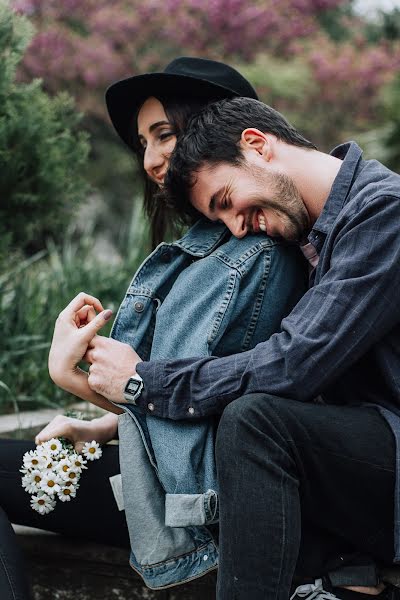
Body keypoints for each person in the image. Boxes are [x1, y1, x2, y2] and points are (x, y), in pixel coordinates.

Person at [0, 61, 307, 599]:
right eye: (143, 142)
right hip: (161, 480)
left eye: (164, 135)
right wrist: (96, 428)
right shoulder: (212, 250)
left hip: (190, 509)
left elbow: (198, 407)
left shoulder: (252, 250)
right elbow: (189, 389)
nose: (151, 159)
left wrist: (69, 377)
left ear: (222, 130)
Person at [82, 95, 400, 600]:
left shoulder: (385, 212)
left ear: (257, 145)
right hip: (364, 472)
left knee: (256, 422)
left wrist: (144, 380)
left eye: (226, 200)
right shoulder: (308, 240)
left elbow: (294, 363)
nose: (236, 225)